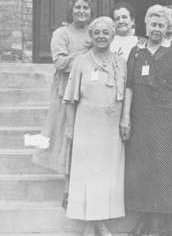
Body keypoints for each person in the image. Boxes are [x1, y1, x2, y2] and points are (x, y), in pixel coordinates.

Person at [120, 5, 172, 236]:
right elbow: (129, 86)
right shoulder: (137, 53)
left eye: (161, 25)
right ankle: (145, 220)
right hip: (141, 119)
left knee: (165, 170)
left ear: (167, 27)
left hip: (168, 120)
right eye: (153, 25)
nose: (157, 29)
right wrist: (125, 118)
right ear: (146, 26)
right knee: (143, 169)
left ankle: (161, 224)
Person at [63, 16, 126, 236]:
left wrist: (124, 120)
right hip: (87, 126)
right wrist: (70, 129)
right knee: (87, 174)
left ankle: (100, 222)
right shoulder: (81, 61)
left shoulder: (120, 62)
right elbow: (70, 99)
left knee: (106, 174)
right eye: (96, 32)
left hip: (111, 127)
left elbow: (125, 95)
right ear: (91, 36)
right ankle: (90, 225)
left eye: (105, 32)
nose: (101, 36)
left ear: (113, 35)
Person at [32, 0, 95, 184]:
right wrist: (86, 52)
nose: (81, 11)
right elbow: (60, 63)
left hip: (89, 91)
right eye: (78, 7)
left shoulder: (94, 32)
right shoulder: (62, 33)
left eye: (86, 7)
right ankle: (68, 186)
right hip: (66, 92)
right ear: (71, 9)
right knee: (66, 135)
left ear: (91, 10)